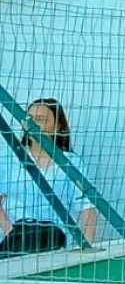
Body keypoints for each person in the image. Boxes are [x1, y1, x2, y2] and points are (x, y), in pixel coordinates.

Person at [0, 98, 98, 257]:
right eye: (30, 119)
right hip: (14, 246)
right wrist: (11, 231)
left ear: (58, 126)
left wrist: (87, 246)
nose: (33, 125)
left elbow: (87, 206)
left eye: (41, 120)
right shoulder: (7, 157)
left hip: (59, 246)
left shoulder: (70, 162)